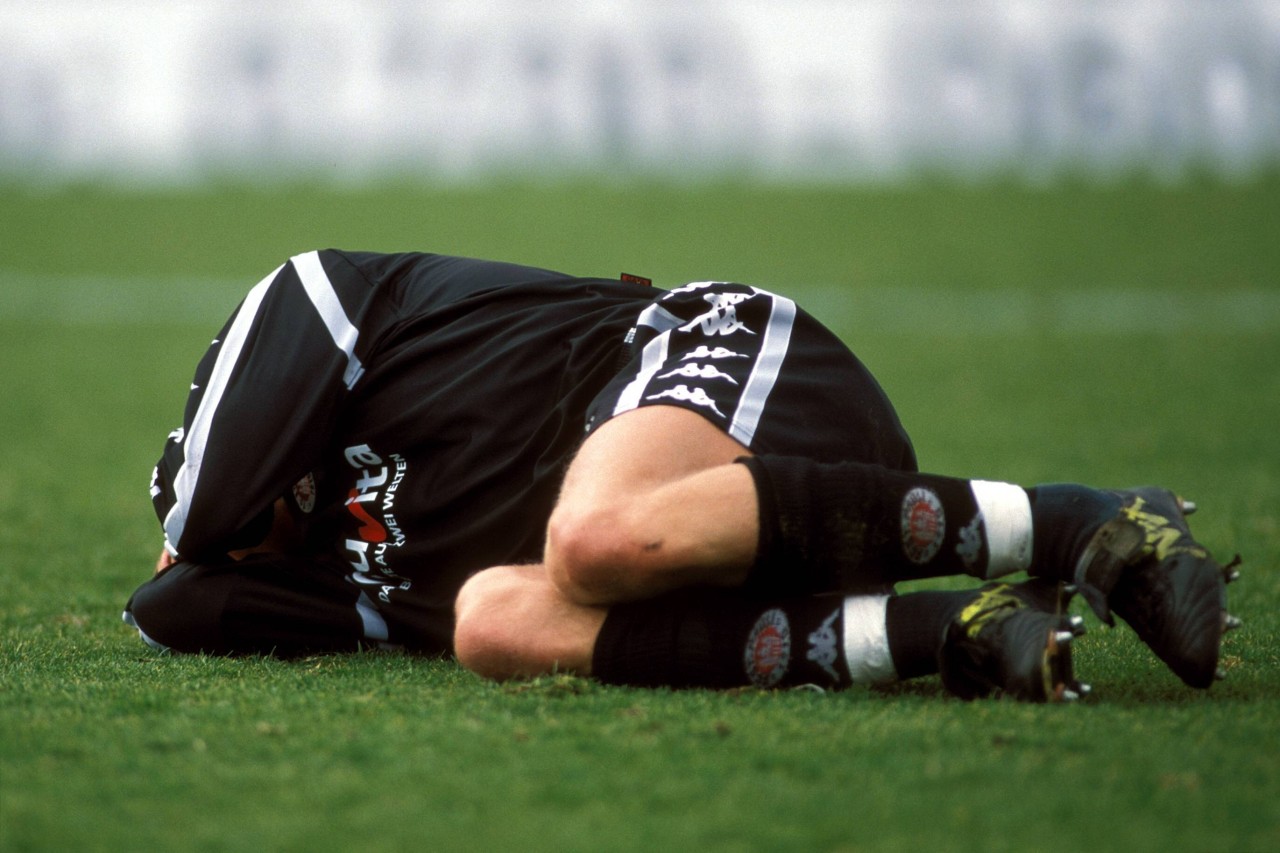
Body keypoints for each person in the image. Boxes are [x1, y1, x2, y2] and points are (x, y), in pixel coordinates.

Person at [124, 249, 1241, 702]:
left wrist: (190, 516)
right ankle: (960, 631)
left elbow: (285, 300)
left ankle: (1079, 522)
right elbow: (173, 606)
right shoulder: (343, 586)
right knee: (488, 624)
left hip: (712, 361)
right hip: (740, 532)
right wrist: (187, 572)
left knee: (587, 539)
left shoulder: (335, 309)